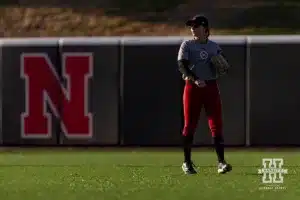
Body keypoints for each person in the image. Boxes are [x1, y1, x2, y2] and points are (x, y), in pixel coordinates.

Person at [177, 14, 232, 175]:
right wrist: (194, 79)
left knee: (216, 124)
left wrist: (224, 67)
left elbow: (224, 67)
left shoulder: (214, 47)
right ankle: (187, 162)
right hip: (193, 87)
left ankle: (221, 162)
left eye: (196, 26)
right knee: (189, 125)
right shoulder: (187, 45)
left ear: (205, 29)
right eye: (192, 26)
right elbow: (182, 66)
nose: (193, 29)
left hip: (211, 87)